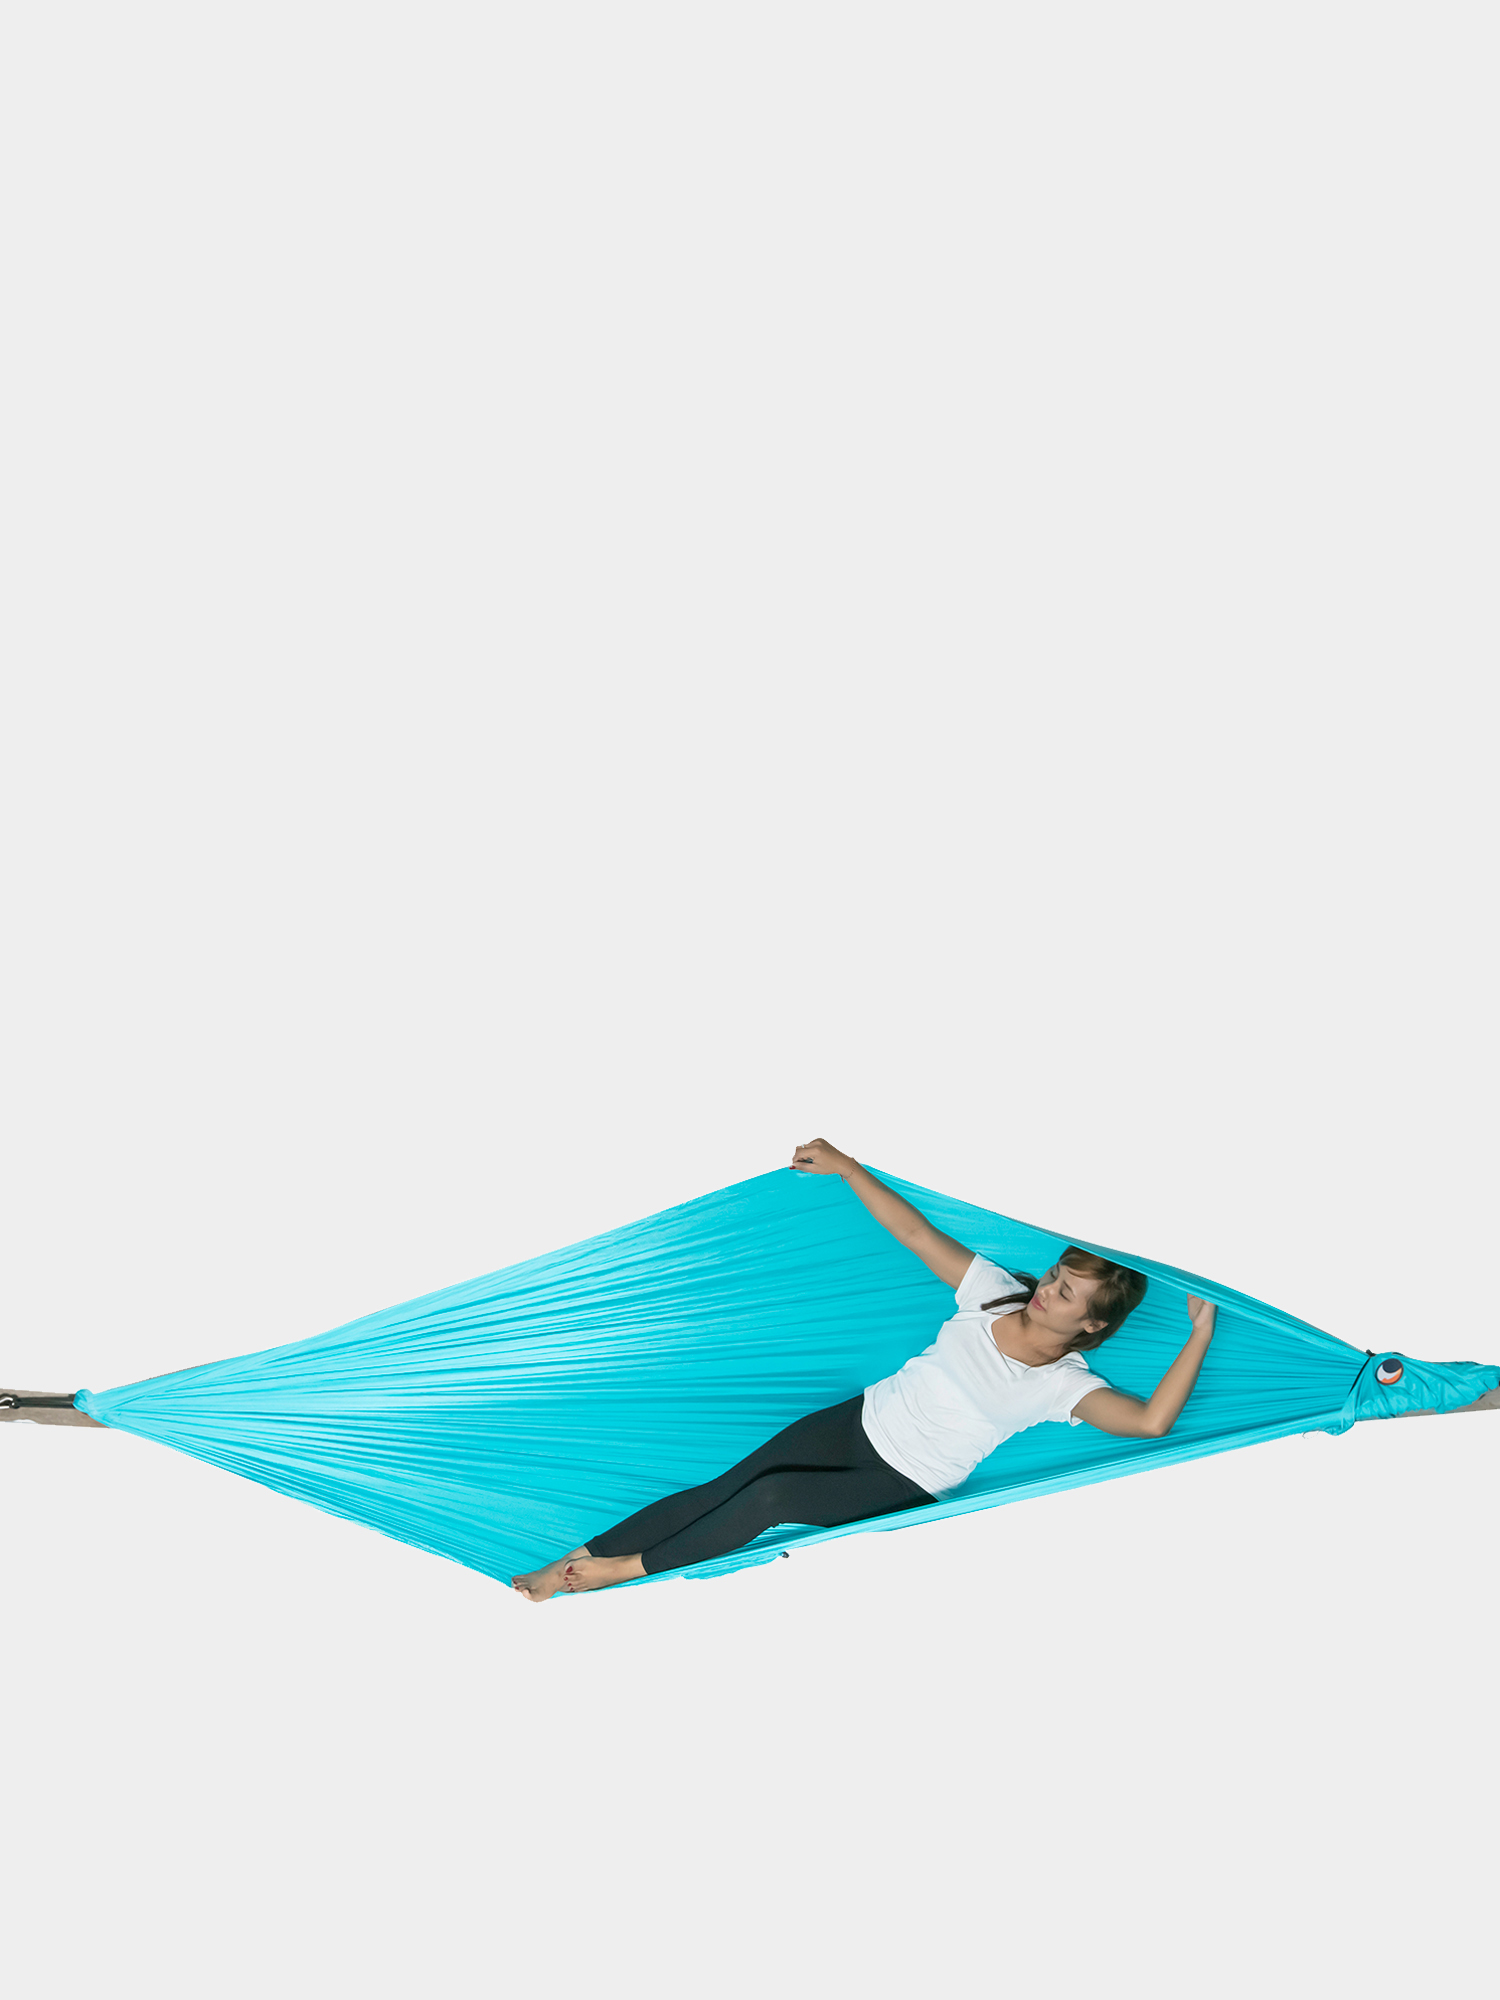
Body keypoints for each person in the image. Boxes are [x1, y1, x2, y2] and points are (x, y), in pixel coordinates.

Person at [510, 1138, 1218, 1599]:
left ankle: (613, 1572)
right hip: (858, 1419)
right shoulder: (993, 1293)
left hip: (906, 1477)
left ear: (1092, 1324)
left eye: (1066, 1294)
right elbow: (914, 1232)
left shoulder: (1065, 1384)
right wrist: (849, 1168)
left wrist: (1200, 1334)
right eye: (1057, 1274)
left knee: (771, 1499)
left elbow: (1152, 1422)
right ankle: (568, 1559)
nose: (1048, 1290)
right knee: (727, 1485)